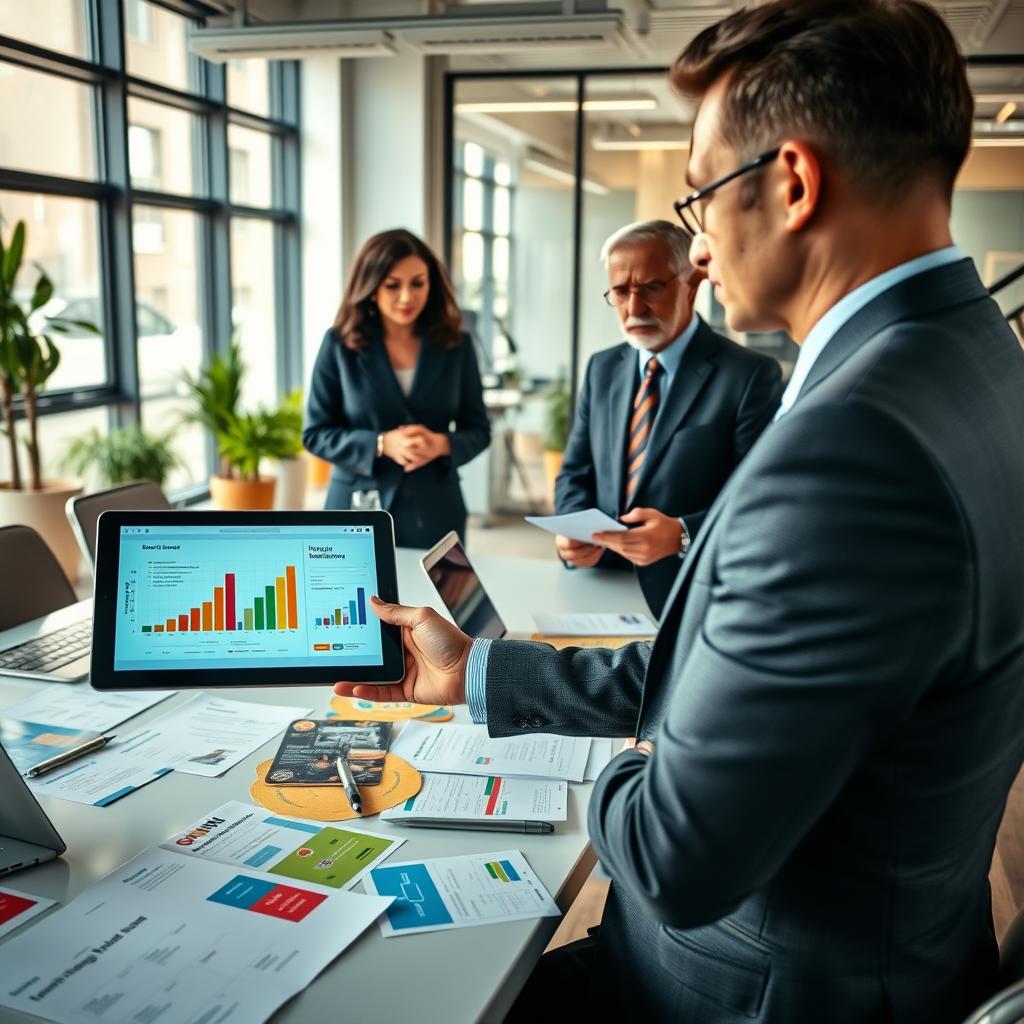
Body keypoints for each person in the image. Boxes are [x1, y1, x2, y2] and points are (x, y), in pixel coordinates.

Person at [335, 1, 1024, 1020]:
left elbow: (674, 855)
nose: (696, 250)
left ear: (791, 183)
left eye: (699, 199)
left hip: (744, 991)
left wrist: (634, 752)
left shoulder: (856, 444)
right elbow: (745, 669)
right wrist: (481, 671)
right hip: (891, 944)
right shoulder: (977, 365)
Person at [555, 219, 781, 617]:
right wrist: (573, 532)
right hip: (601, 584)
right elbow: (575, 471)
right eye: (621, 292)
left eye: (651, 289)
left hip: (695, 593)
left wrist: (682, 534)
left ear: (692, 284)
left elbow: (759, 501)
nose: (634, 308)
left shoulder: (748, 376)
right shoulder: (601, 368)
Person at [303, 229, 490, 548]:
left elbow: (479, 430)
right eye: (393, 285)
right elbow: (315, 434)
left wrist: (442, 444)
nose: (407, 297)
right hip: (356, 508)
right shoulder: (339, 345)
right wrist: (380, 443)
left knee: (437, 598)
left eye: (418, 283)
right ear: (371, 287)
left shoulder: (457, 345)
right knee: (352, 599)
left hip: (435, 509)